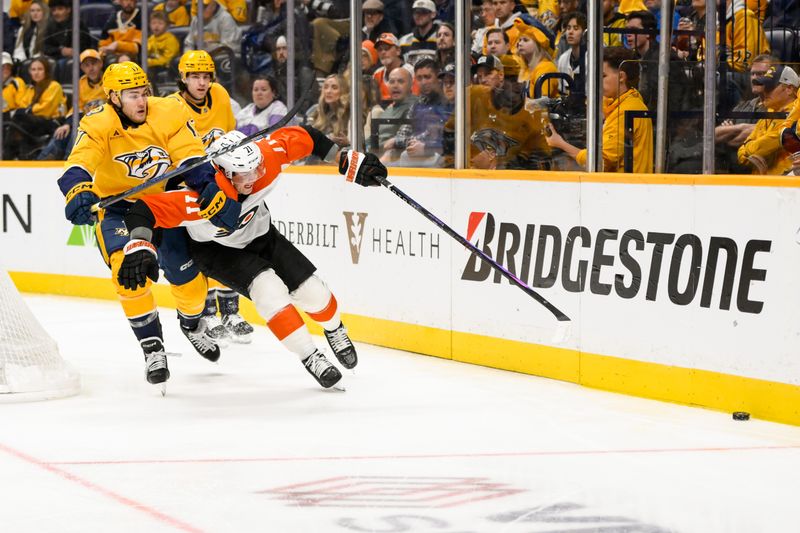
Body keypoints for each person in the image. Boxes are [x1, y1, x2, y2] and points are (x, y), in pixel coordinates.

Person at [118, 127, 385, 388]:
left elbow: (304, 136)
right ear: (225, 173)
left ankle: (335, 328)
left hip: (261, 235)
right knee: (270, 292)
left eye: (257, 166)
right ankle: (310, 355)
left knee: (313, 292)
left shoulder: (264, 159)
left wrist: (343, 159)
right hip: (217, 251)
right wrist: (139, 244)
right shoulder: (195, 197)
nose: (257, 175)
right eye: (247, 172)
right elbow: (144, 210)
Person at [55, 62, 225, 389]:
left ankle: (191, 324)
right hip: (118, 210)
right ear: (114, 98)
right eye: (132, 95)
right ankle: (152, 347)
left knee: (189, 284)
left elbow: (190, 157)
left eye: (143, 92)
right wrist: (78, 191)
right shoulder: (98, 123)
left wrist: (205, 182)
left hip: (161, 207)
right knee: (127, 274)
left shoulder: (169, 112)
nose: (141, 101)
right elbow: (78, 164)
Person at [168, 49, 254, 344]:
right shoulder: (170, 106)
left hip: (221, 181)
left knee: (228, 241)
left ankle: (230, 310)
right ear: (183, 78)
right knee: (198, 249)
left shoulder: (219, 95)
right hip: (187, 185)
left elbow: (230, 136)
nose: (202, 83)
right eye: (195, 77)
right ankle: (206, 313)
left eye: (206, 76)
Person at [546, 46, 653, 173]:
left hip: (624, 188)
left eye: (603, 76)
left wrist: (560, 143)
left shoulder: (626, 111)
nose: (598, 81)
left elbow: (600, 162)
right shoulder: (626, 102)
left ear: (621, 77)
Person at [37, 49, 105, 161]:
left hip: (104, 125)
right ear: (82, 68)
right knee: (61, 133)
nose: (91, 68)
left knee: (77, 134)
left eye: (94, 63)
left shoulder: (109, 80)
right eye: (86, 65)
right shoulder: (80, 83)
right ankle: (40, 163)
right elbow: (77, 107)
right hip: (85, 122)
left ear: (100, 64)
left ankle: (69, 162)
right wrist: (68, 124)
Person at [737, 65, 800, 175]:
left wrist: (749, 150)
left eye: (770, 88)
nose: (764, 91)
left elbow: (765, 145)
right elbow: (741, 154)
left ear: (789, 89)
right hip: (762, 184)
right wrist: (749, 151)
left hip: (784, 185)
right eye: (764, 86)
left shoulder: (794, 116)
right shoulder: (770, 112)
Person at [4, 57, 66, 159]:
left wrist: (28, 110)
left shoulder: (54, 86)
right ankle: (16, 155)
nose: (36, 73)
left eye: (40, 69)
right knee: (8, 119)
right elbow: (22, 106)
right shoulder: (31, 89)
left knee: (18, 118)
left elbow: (46, 110)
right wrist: (26, 110)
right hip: (33, 122)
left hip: (52, 122)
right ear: (29, 72)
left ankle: (7, 156)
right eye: (33, 69)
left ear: (46, 71)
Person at [305, 74, 351, 149]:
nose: (328, 91)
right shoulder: (315, 111)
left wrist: (348, 143)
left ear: (343, 91)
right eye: (325, 87)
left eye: (334, 88)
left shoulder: (350, 114)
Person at [399, 0, 440, 66]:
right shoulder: (404, 41)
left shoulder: (441, 38)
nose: (418, 15)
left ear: (433, 14)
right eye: (416, 12)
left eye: (423, 12)